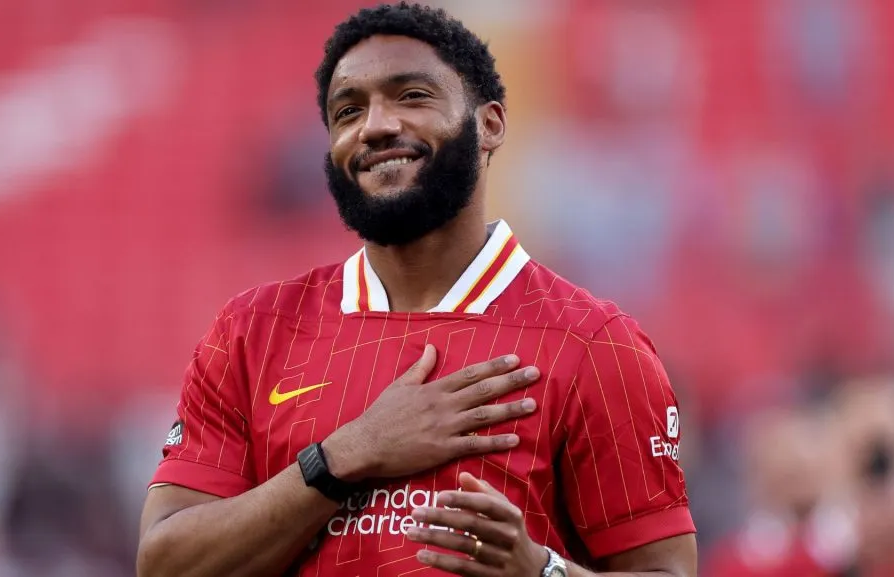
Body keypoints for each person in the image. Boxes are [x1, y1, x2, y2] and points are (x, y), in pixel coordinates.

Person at [136, 3, 697, 577]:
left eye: (412, 96)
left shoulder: (596, 344)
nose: (375, 125)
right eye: (348, 110)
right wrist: (345, 455)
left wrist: (540, 569)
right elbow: (166, 564)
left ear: (490, 124)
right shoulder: (252, 331)